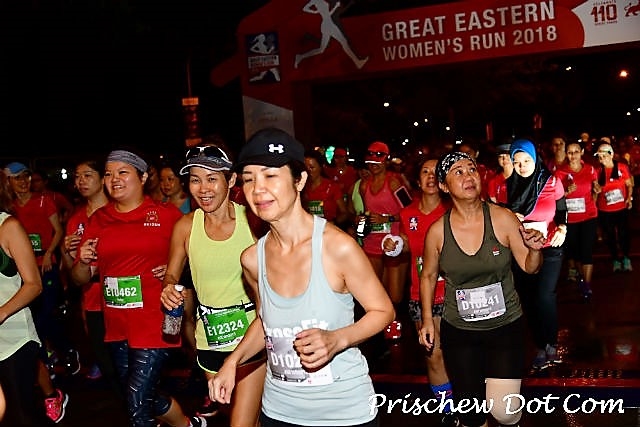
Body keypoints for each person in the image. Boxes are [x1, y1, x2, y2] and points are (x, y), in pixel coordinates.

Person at [210, 127, 395, 426]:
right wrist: (232, 361)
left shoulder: (337, 248)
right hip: (279, 411)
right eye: (249, 179)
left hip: (344, 412)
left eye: (270, 176)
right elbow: (265, 321)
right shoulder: (252, 259)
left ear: (300, 180)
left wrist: (337, 339)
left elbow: (383, 311)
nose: (257, 189)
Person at [71, 149, 205, 427]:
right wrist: (83, 261)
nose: (114, 179)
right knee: (141, 395)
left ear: (143, 177)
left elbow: (199, 256)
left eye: (123, 172)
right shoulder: (99, 219)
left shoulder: (167, 215)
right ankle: (187, 424)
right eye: (108, 174)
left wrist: (175, 269)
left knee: (136, 404)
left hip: (155, 321)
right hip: (117, 325)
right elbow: (80, 279)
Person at [419, 151, 545, 427]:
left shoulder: (502, 218)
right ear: (444, 186)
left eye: (472, 169)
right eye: (458, 172)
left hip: (505, 327)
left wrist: (536, 250)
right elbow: (427, 276)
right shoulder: (437, 232)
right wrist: (427, 320)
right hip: (460, 331)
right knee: (471, 415)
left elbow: (530, 266)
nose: (468, 176)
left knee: (504, 412)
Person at [160, 143, 265, 426]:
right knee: (241, 417)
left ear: (230, 181)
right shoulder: (185, 226)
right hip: (210, 341)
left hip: (252, 338)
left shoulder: (253, 221)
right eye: (195, 180)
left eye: (211, 179)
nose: (203, 188)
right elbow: (171, 275)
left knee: (241, 423)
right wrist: (168, 288)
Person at [381, 157, 456, 426]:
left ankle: (470, 404)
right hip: (421, 296)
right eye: (425, 171)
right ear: (417, 180)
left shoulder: (454, 210)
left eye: (436, 172)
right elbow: (404, 243)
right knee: (433, 355)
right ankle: (448, 410)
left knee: (457, 354)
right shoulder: (407, 214)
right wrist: (394, 244)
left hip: (455, 293)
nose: (431, 176)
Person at [4, 161, 75, 422]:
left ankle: (63, 357)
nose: (23, 182)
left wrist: (49, 253)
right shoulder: (12, 207)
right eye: (17, 178)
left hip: (43, 268)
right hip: (18, 273)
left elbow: (58, 229)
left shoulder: (43, 201)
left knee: (44, 320)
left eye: (26, 177)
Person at [506, 139, 568, 370]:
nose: (522, 166)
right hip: (522, 250)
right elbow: (498, 216)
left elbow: (561, 209)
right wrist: (510, 217)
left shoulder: (552, 182)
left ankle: (551, 344)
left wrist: (562, 228)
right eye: (517, 162)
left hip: (550, 246)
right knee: (529, 299)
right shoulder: (507, 186)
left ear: (535, 159)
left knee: (545, 296)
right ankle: (541, 346)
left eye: (526, 160)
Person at [61, 158, 121, 392]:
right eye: (77, 177)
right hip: (93, 298)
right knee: (106, 363)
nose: (81, 181)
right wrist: (66, 251)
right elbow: (72, 269)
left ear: (102, 179)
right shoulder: (76, 219)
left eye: (87, 175)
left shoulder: (118, 212)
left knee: (130, 362)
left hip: (122, 295)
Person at [0, 169, 54, 426]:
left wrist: (1, 312)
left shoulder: (7, 227)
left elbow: (33, 285)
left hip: (14, 338)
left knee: (21, 414)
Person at [359, 141, 410, 339]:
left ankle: (395, 323)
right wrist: (361, 221)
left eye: (378, 159)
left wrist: (386, 218)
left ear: (386, 160)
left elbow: (409, 211)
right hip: (372, 243)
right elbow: (366, 212)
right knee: (375, 292)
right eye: (371, 160)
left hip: (393, 243)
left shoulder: (394, 182)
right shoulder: (364, 185)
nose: (374, 164)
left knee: (395, 294)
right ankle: (385, 329)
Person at [556, 141, 599, 298]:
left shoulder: (590, 169)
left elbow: (595, 187)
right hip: (570, 219)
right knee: (576, 251)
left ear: (581, 152)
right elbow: (555, 198)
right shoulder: (560, 173)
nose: (573, 155)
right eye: (570, 152)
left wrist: (597, 191)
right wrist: (566, 192)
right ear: (566, 154)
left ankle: (587, 285)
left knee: (587, 250)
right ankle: (581, 277)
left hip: (589, 216)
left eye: (576, 151)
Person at [593, 139, 634, 272]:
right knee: (610, 235)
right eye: (599, 157)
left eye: (604, 156)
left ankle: (626, 258)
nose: (601, 159)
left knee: (623, 234)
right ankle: (615, 259)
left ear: (611, 155)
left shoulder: (621, 167)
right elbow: (595, 189)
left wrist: (629, 198)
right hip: (605, 209)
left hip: (621, 208)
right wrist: (596, 190)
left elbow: (629, 184)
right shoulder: (598, 171)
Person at [303, 150, 348, 224]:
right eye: (306, 168)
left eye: (312, 167)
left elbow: (344, 213)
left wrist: (332, 223)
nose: (308, 171)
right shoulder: (302, 186)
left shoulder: (332, 187)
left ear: (321, 167)